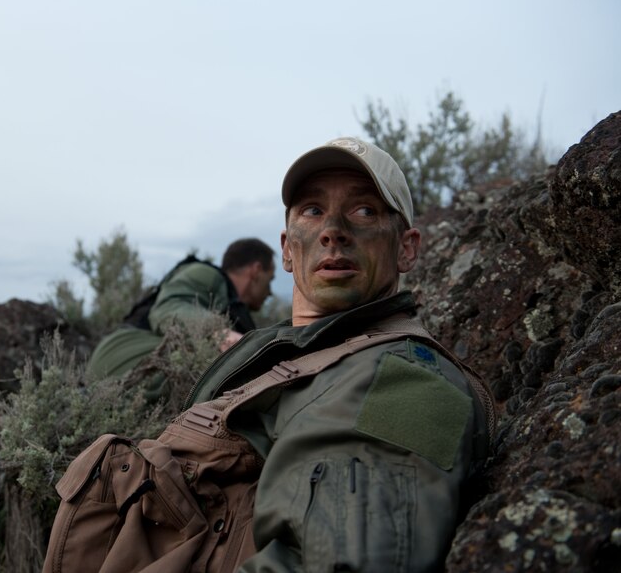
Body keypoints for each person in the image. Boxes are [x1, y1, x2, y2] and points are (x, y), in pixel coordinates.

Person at [183, 138, 493, 571]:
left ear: (407, 247)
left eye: (364, 210)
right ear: (288, 248)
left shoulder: (403, 383)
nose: (333, 230)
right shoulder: (284, 350)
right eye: (312, 209)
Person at [87, 238, 276, 384]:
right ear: (256, 270)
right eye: (270, 279)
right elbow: (167, 308)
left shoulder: (234, 306)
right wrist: (218, 332)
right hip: (124, 354)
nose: (270, 292)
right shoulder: (206, 274)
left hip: (130, 368)